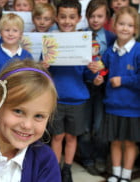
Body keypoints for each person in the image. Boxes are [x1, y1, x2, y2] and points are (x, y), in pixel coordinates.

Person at [43, 1, 95, 182]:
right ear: (56, 17)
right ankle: (56, 169)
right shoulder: (50, 40)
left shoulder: (84, 41)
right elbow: (43, 72)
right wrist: (44, 66)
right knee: (57, 137)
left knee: (72, 137)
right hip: (56, 98)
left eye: (72, 17)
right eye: (63, 16)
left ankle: (67, 169)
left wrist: (92, 69)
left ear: (79, 19)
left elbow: (88, 74)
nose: (67, 21)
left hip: (78, 99)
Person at [93, 6, 140, 182]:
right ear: (114, 25)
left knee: (129, 143)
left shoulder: (138, 51)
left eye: (129, 25)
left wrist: (123, 80)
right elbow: (103, 71)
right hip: (112, 105)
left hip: (133, 108)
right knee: (114, 141)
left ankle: (126, 176)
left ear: (135, 29)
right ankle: (115, 173)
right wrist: (99, 79)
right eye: (121, 24)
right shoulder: (110, 51)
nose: (125, 28)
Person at [77, 0, 116, 176]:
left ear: (106, 17)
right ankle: (87, 158)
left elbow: (114, 63)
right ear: (86, 17)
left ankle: (100, 158)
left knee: (100, 125)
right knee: (84, 126)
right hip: (83, 86)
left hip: (103, 88)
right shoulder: (79, 36)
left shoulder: (111, 38)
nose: (95, 20)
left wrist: (104, 78)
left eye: (99, 16)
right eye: (92, 16)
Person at [0, 13, 33, 83]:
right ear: (0, 33)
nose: (10, 34)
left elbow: (31, 79)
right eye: (7, 30)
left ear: (21, 34)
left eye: (15, 30)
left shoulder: (27, 56)